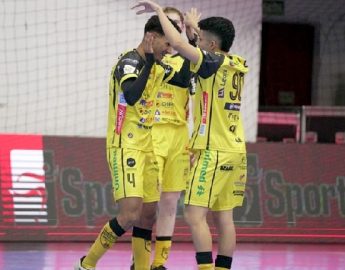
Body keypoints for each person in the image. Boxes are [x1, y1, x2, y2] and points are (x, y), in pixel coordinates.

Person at [132, 1, 249, 270]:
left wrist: (160, 12)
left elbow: (182, 45)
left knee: (195, 215)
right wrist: (196, 31)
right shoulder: (235, 63)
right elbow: (201, 48)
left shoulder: (209, 62)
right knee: (225, 219)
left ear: (211, 46)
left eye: (203, 42)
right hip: (237, 150)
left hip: (214, 151)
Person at [74, 15, 190, 270]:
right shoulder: (129, 62)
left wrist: (191, 40)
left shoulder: (159, 64)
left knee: (148, 215)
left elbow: (184, 78)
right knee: (130, 215)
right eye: (167, 45)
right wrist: (149, 62)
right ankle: (87, 264)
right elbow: (133, 95)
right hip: (125, 146)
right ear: (152, 37)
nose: (169, 51)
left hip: (148, 146)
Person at [149, 6, 193, 270]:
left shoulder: (189, 59)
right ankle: (139, 258)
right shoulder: (148, 57)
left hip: (178, 134)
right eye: (168, 23)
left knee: (169, 202)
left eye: (177, 24)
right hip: (152, 132)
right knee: (146, 203)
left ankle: (159, 263)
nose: (173, 27)